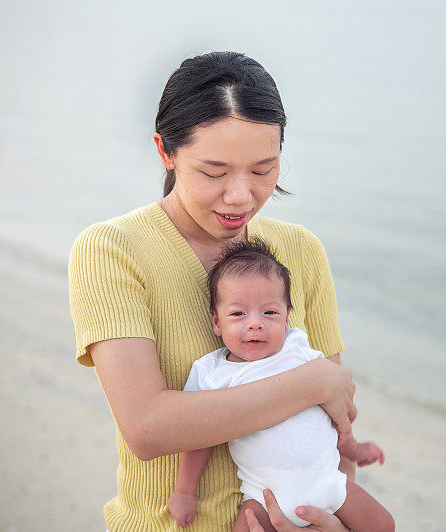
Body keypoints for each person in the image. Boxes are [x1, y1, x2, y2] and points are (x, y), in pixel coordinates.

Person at [68, 51, 362, 531]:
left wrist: (332, 520)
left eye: (264, 169)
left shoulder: (301, 251)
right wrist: (312, 381)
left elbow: (334, 421)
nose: (241, 195)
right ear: (166, 151)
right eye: (214, 172)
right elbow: (147, 427)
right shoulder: (113, 250)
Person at [167, 239, 392, 531]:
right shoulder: (212, 372)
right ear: (216, 322)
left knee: (384, 525)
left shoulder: (298, 350)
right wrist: (184, 492)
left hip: (329, 484)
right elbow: (199, 438)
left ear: (287, 318)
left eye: (270, 312)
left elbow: (334, 407)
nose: (255, 323)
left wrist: (353, 448)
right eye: (238, 314)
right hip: (263, 496)